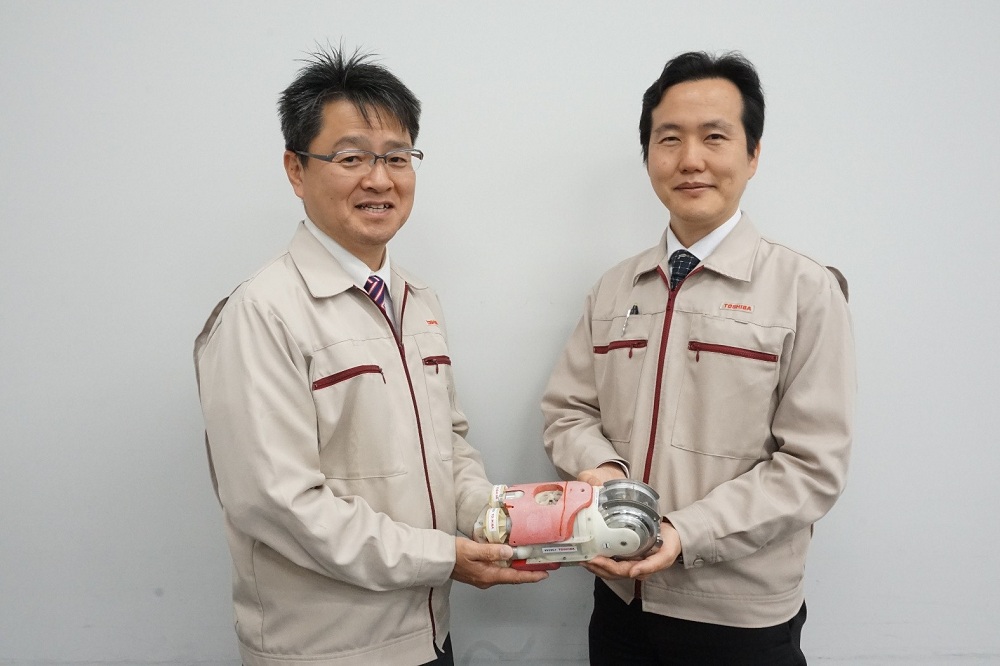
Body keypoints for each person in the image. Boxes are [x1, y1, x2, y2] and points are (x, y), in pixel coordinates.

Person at [194, 47, 546, 666]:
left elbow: (450, 444)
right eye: (351, 157)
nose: (379, 179)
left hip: (429, 633)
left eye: (397, 157)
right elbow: (280, 505)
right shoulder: (263, 312)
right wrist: (444, 557)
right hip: (329, 650)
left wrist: (499, 517)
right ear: (296, 170)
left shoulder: (417, 300)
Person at [541, 51, 855, 665]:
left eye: (715, 137)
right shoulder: (613, 289)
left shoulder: (805, 290)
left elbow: (813, 466)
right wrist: (602, 471)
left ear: (753, 153)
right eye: (670, 139)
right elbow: (567, 411)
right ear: (649, 157)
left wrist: (687, 534)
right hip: (620, 600)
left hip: (738, 615)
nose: (691, 159)